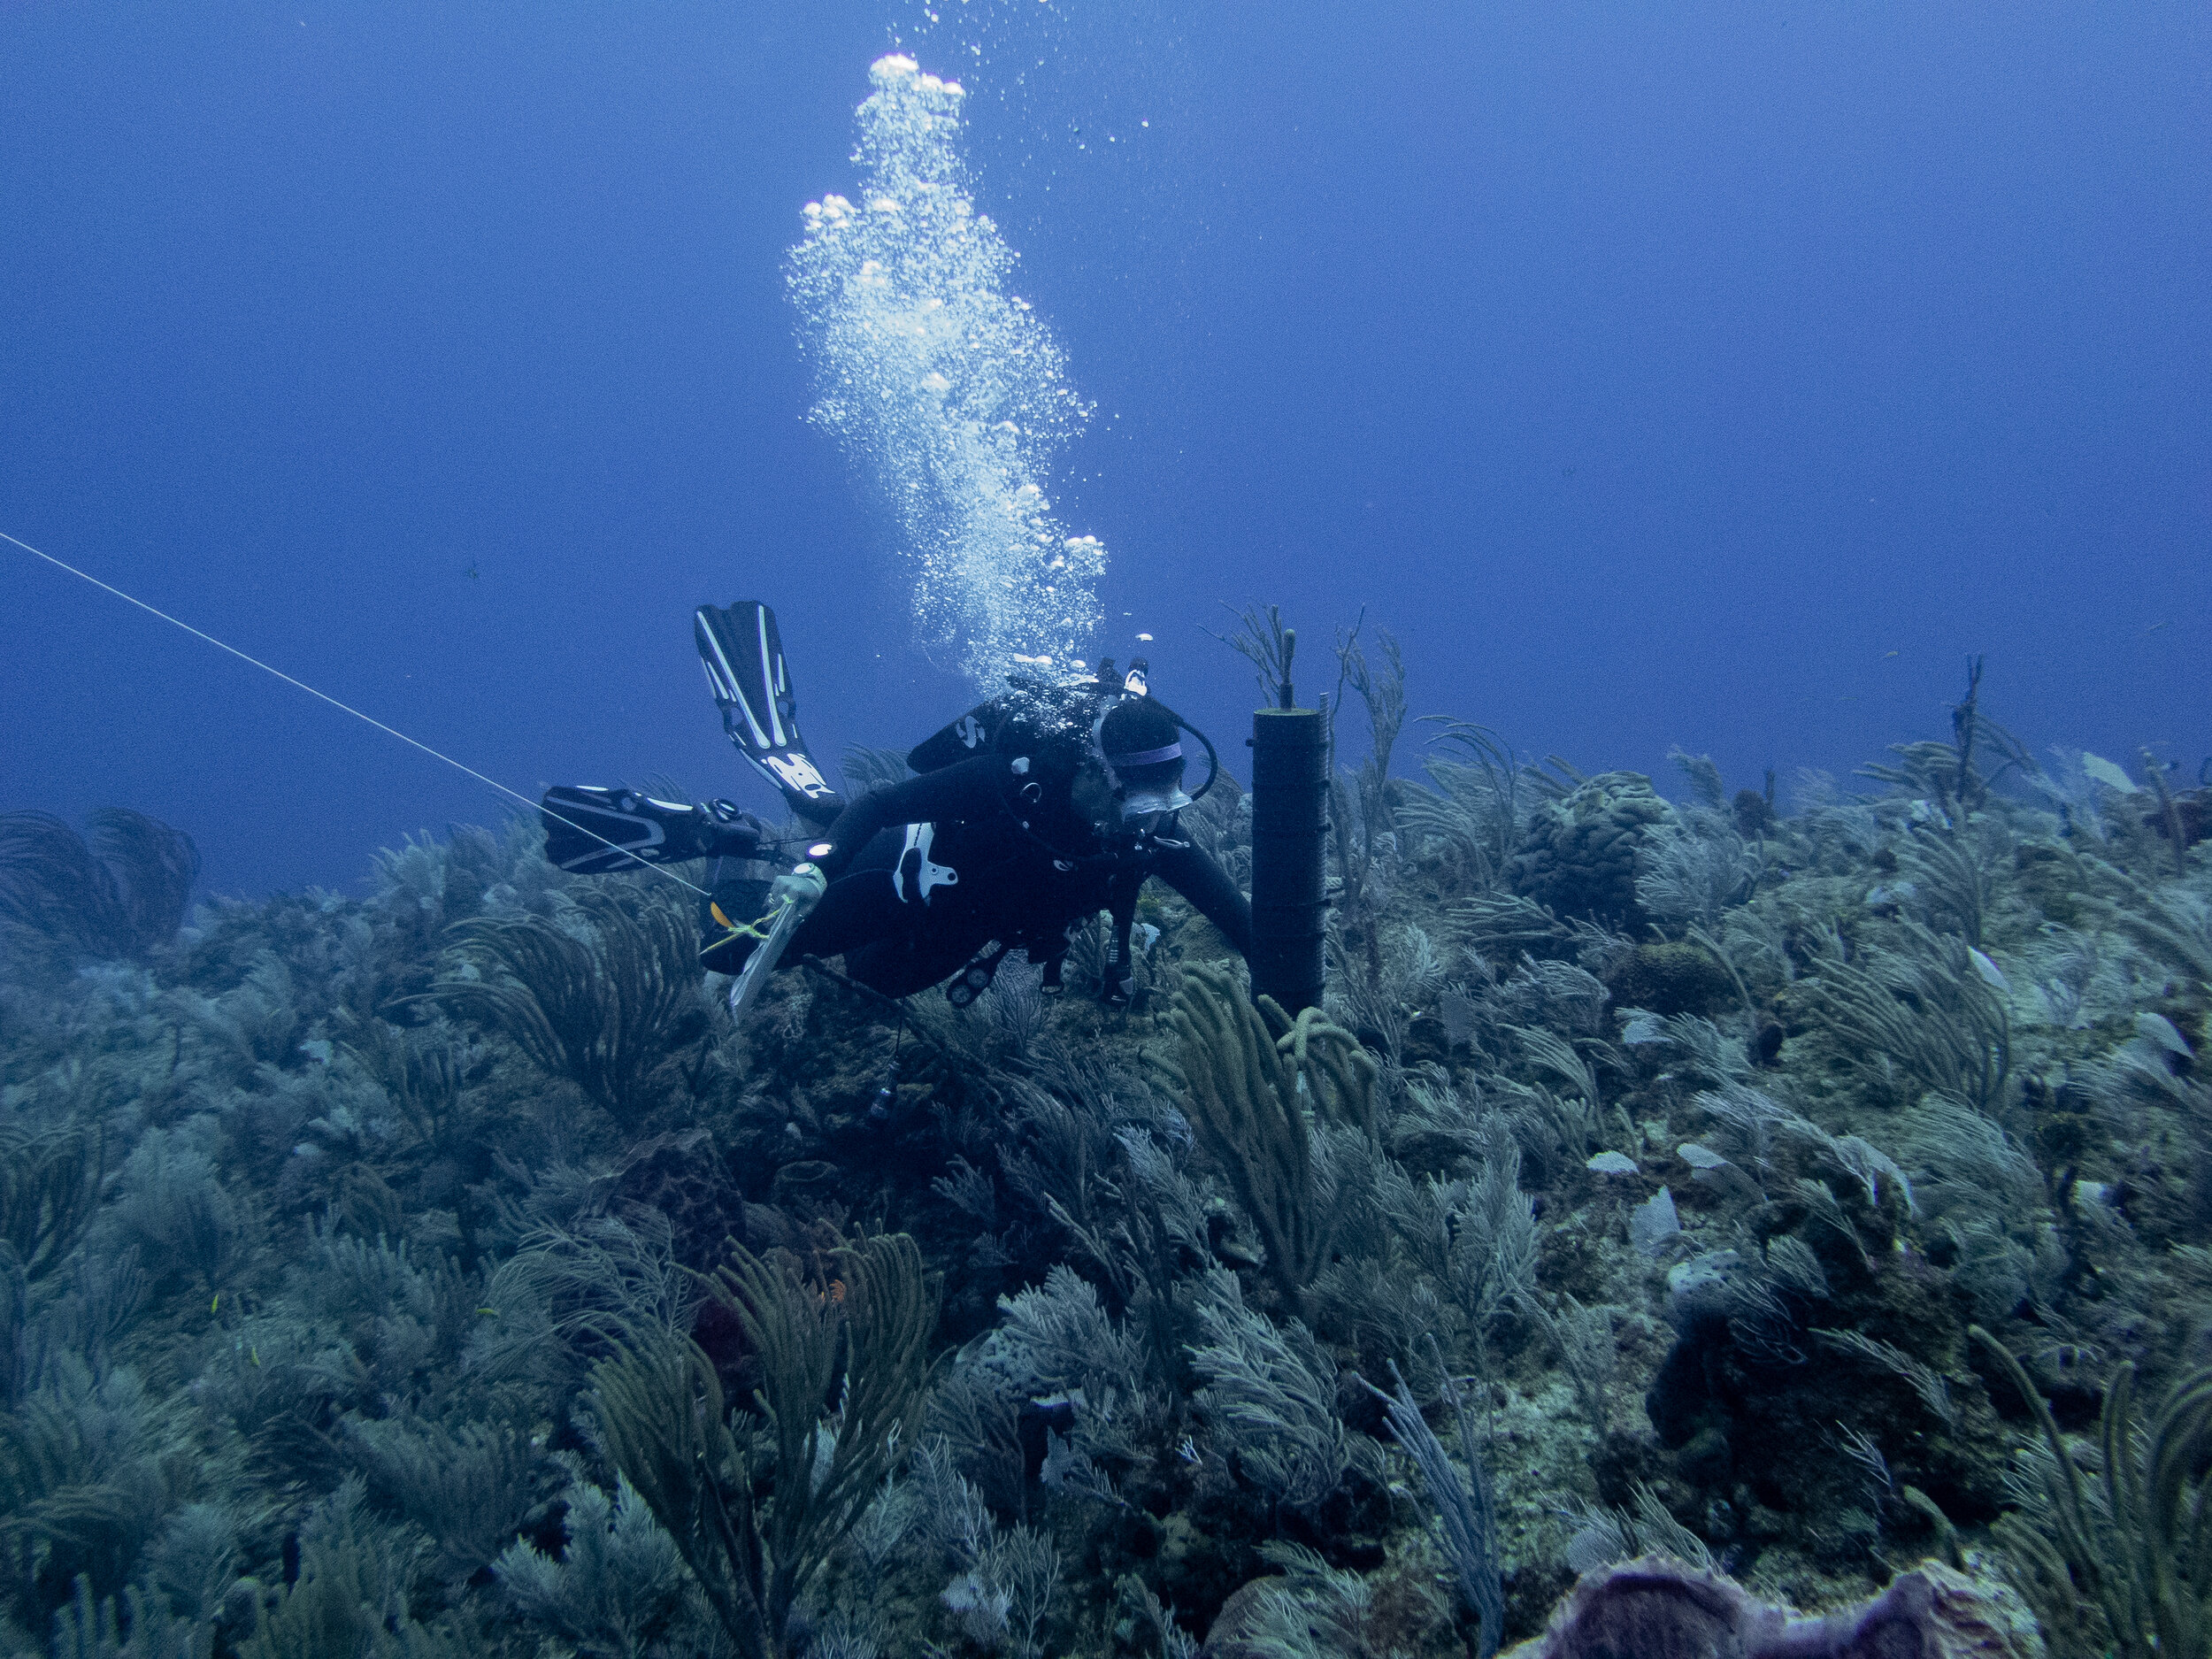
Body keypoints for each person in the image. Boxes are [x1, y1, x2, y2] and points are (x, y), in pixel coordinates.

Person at [541, 602, 1251, 1009]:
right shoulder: (1013, 780)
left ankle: (795, 828)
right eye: (1138, 802)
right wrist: (818, 870)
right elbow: (881, 802)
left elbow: (1245, 925)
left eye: (1168, 801)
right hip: (908, 871)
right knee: (729, 946)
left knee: (873, 983)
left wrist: (1297, 1002)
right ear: (1094, 771)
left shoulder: (1151, 833)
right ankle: (729, 836)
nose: (1152, 822)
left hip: (969, 926)